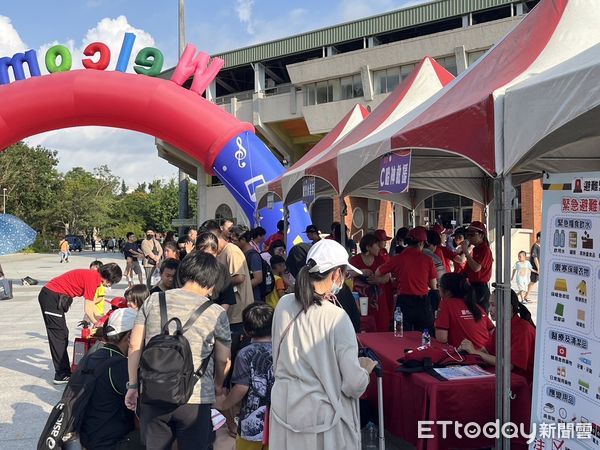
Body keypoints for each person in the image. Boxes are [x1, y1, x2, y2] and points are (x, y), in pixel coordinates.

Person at [270, 239, 377, 449]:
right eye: (345, 274)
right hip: (323, 419)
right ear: (337, 274)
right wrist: (364, 371)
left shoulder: (284, 304)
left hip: (284, 409)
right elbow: (353, 384)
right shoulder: (336, 317)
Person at [125, 252, 232, 450]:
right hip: (196, 397)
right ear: (211, 282)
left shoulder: (153, 300)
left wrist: (132, 385)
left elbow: (134, 346)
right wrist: (218, 386)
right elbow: (223, 359)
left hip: (152, 391)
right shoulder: (216, 312)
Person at [38, 263, 122, 384]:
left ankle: (63, 372)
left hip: (53, 296)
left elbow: (92, 305)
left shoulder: (94, 276)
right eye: (112, 282)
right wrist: (97, 323)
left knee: (62, 334)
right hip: (51, 297)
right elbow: (88, 309)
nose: (110, 285)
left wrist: (101, 318)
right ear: (109, 278)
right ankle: (61, 374)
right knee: (58, 336)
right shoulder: (93, 279)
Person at [79, 308, 142, 450]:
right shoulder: (121, 366)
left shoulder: (92, 356)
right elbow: (143, 412)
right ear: (130, 336)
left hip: (87, 438)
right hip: (111, 443)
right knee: (165, 433)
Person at [216, 303, 274, 449]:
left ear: (246, 330)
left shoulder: (245, 354)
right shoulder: (283, 350)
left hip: (251, 420)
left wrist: (224, 404)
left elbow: (241, 387)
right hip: (278, 419)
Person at [460, 287, 536, 384]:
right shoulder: (502, 326)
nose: (489, 309)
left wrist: (475, 352)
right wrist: (467, 350)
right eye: (489, 305)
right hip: (504, 378)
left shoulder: (523, 329)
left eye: (493, 305)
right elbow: (487, 351)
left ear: (509, 308)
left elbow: (509, 365)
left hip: (523, 385)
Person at [375, 226, 437, 332]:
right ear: (421, 243)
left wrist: (394, 277)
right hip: (422, 303)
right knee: (425, 337)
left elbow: (377, 272)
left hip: (404, 302)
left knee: (401, 337)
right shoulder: (428, 260)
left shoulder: (397, 258)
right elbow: (433, 285)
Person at [435, 273, 494, 349]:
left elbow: (442, 338)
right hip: (486, 354)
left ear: (447, 291)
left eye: (439, 286)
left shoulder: (446, 304)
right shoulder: (475, 306)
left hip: (467, 356)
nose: (438, 288)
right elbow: (492, 331)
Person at [349, 233, 391, 332]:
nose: (379, 247)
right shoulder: (355, 260)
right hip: (360, 302)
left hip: (379, 303)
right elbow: (347, 274)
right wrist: (361, 272)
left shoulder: (380, 259)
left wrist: (378, 280)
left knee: (381, 330)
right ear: (368, 247)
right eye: (376, 245)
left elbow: (387, 277)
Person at [195, 231, 237, 312]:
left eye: (212, 255)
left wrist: (217, 317)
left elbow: (227, 299)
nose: (208, 258)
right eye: (204, 254)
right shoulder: (188, 267)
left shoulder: (221, 270)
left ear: (216, 252)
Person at [462, 221, 493, 311]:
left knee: (480, 315)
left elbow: (476, 268)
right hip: (472, 285)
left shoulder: (485, 249)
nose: (469, 237)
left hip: (480, 288)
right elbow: (468, 270)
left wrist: (466, 253)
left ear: (481, 235)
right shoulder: (475, 249)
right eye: (468, 234)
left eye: (472, 234)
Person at [231, 225, 265, 303]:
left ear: (243, 240)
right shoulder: (240, 253)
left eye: (234, 241)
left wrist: (243, 289)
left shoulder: (253, 256)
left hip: (253, 299)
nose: (232, 243)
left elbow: (258, 279)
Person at [526, 231, 541, 302]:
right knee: (533, 281)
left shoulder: (540, 246)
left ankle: (526, 295)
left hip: (538, 268)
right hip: (535, 268)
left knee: (534, 281)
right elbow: (535, 258)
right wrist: (538, 268)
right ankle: (526, 296)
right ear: (538, 238)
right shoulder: (535, 246)